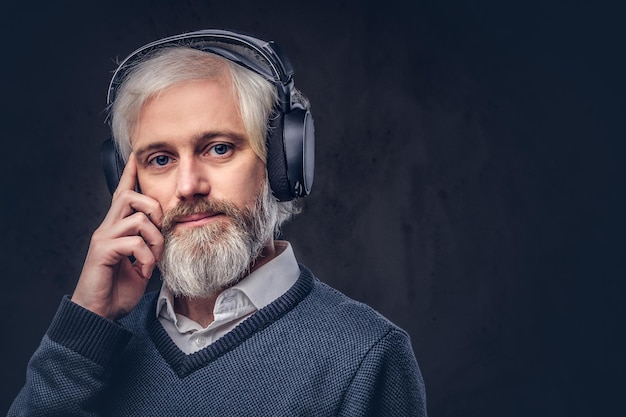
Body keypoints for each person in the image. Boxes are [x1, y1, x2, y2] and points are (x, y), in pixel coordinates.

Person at [8, 29, 427, 416]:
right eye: (160, 160)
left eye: (219, 148)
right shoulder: (90, 354)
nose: (188, 185)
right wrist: (84, 326)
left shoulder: (366, 354)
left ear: (281, 162)